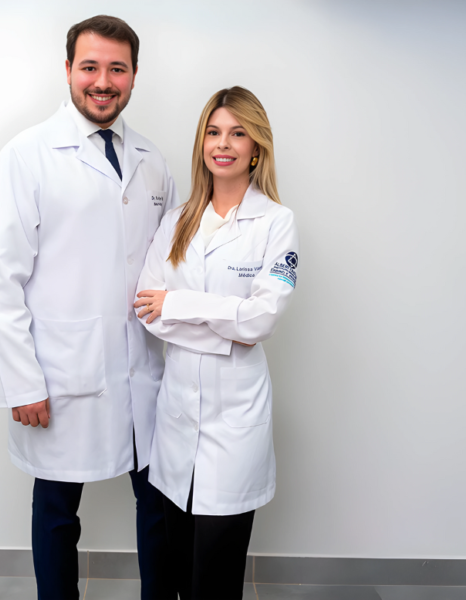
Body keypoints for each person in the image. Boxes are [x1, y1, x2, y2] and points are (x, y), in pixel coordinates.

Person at [0, 15, 178, 600]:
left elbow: (168, 262)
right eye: (90, 67)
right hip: (61, 374)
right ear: (68, 70)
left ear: (134, 75)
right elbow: (0, 279)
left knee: (159, 505)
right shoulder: (27, 155)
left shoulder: (152, 160)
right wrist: (21, 382)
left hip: (143, 371)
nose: (103, 81)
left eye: (117, 68)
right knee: (57, 511)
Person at [133, 86, 298, 600]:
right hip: (177, 418)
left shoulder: (276, 223)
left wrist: (180, 303)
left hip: (235, 421)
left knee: (216, 580)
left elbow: (262, 319)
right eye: (213, 131)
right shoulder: (176, 220)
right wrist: (227, 325)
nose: (223, 144)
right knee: (180, 571)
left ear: (256, 147)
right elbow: (147, 309)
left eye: (237, 133)